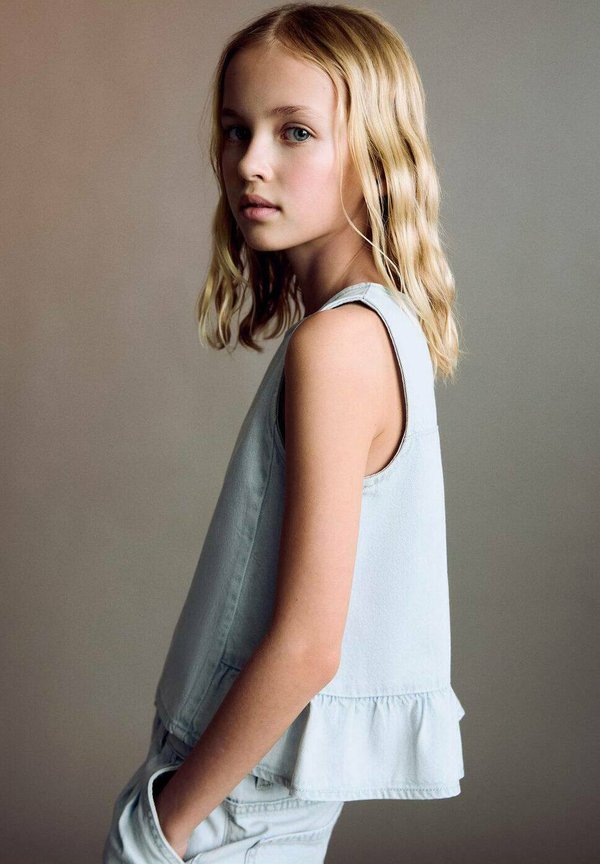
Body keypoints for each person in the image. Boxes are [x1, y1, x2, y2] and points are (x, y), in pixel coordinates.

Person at [102, 3, 466, 862]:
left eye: (294, 131)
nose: (250, 163)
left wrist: (167, 824)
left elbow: (307, 648)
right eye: (236, 130)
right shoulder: (379, 327)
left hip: (229, 809)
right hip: (247, 801)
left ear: (375, 152)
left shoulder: (338, 345)